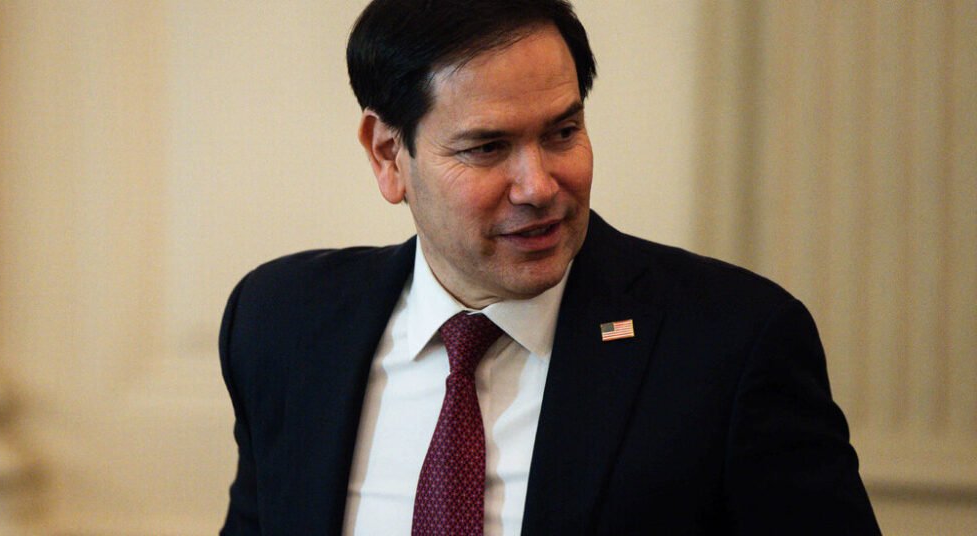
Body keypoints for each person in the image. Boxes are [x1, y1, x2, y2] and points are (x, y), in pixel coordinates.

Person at [218, 1, 880, 534]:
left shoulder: (731, 344)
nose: (539, 186)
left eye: (562, 133)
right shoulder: (283, 323)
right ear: (389, 154)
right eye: (487, 147)